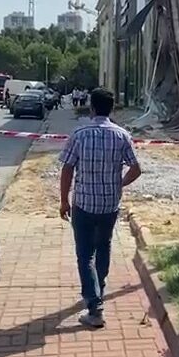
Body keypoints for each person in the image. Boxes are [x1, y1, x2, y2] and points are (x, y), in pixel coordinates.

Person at [59, 88, 141, 328]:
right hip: (109, 204)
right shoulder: (122, 135)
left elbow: (67, 169)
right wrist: (119, 183)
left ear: (91, 107)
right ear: (111, 108)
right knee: (103, 247)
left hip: (83, 203)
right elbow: (136, 168)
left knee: (85, 254)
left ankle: (95, 306)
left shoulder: (79, 134)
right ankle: (98, 290)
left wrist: (64, 200)